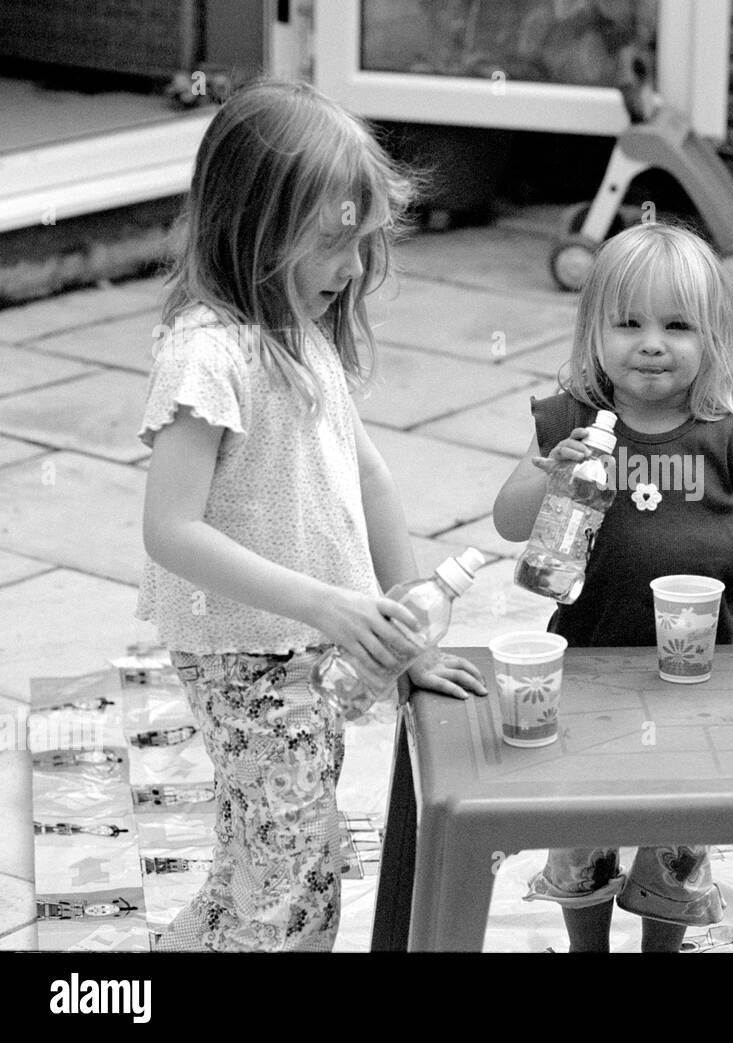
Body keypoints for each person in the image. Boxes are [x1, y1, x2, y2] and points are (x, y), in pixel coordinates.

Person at [136, 79, 485, 952]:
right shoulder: (207, 354)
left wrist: (410, 629)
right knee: (292, 879)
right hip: (241, 655)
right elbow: (171, 531)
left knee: (280, 860)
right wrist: (329, 604)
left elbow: (368, 477)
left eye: (364, 244)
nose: (355, 269)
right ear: (254, 227)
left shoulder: (300, 331)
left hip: (300, 647)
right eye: (336, 243)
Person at [493, 221, 733, 952]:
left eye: (677, 325)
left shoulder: (728, 436)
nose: (651, 342)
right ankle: (586, 944)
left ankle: (664, 946)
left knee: (679, 824)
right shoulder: (572, 421)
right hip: (591, 657)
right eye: (627, 323)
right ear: (592, 331)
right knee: (582, 819)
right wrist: (548, 468)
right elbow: (510, 523)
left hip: (702, 672)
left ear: (715, 338)